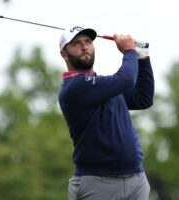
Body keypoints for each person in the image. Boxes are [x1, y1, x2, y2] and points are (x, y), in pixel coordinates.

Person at [58, 26, 154, 200]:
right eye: (76, 43)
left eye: (88, 41)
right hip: (97, 183)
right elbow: (125, 79)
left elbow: (143, 97)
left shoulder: (102, 85)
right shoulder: (74, 87)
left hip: (136, 180)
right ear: (64, 54)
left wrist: (143, 57)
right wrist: (129, 51)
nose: (85, 46)